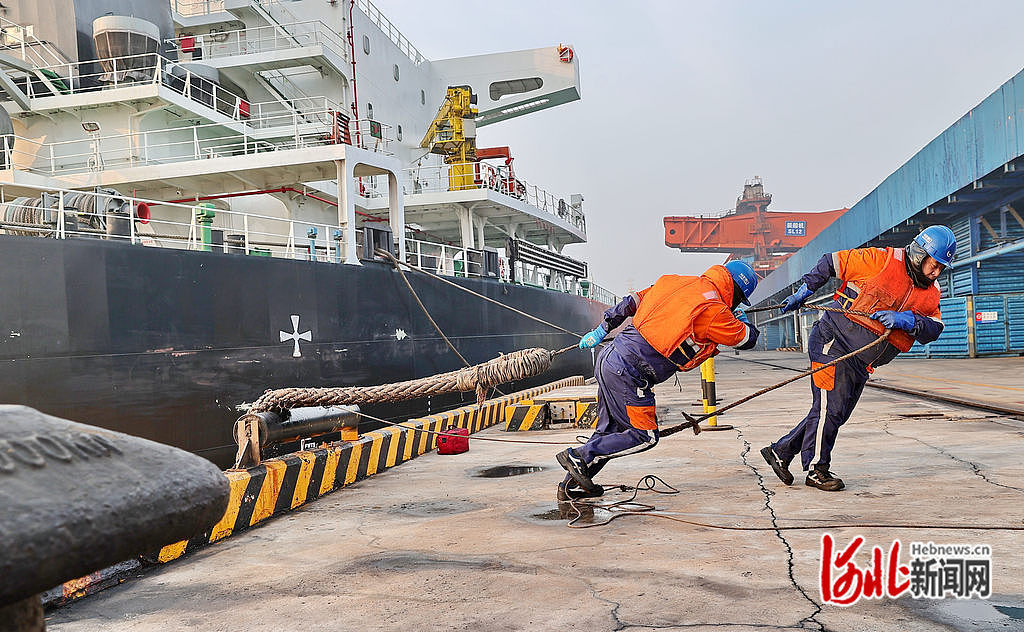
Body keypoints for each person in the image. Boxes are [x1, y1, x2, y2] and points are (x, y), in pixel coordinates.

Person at [760, 225, 955, 491]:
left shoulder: (931, 293)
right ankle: (818, 470)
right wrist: (806, 290)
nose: (936, 272)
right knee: (830, 409)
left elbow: (936, 328)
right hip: (833, 341)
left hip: (862, 362)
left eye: (941, 268)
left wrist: (908, 320)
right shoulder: (879, 260)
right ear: (920, 254)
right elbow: (831, 262)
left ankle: (780, 452)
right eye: (934, 265)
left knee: (835, 413)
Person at [556, 261, 761, 501]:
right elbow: (746, 339)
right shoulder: (715, 310)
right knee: (645, 435)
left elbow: (630, 303)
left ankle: (572, 485)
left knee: (610, 429)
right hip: (630, 372)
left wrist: (602, 329)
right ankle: (578, 456)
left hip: (609, 358)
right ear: (736, 293)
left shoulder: (675, 282)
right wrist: (742, 320)